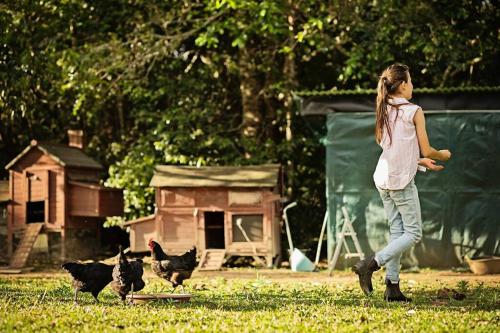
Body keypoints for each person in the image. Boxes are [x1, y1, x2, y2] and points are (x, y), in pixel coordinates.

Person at [352, 63, 451, 302]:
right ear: (404, 85)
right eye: (411, 81)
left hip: (383, 178)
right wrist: (442, 154)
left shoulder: (383, 108)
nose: (413, 86)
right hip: (400, 181)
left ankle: (392, 287)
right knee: (414, 233)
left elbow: (390, 147)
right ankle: (370, 264)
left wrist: (418, 162)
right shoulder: (413, 110)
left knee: (397, 231)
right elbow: (427, 148)